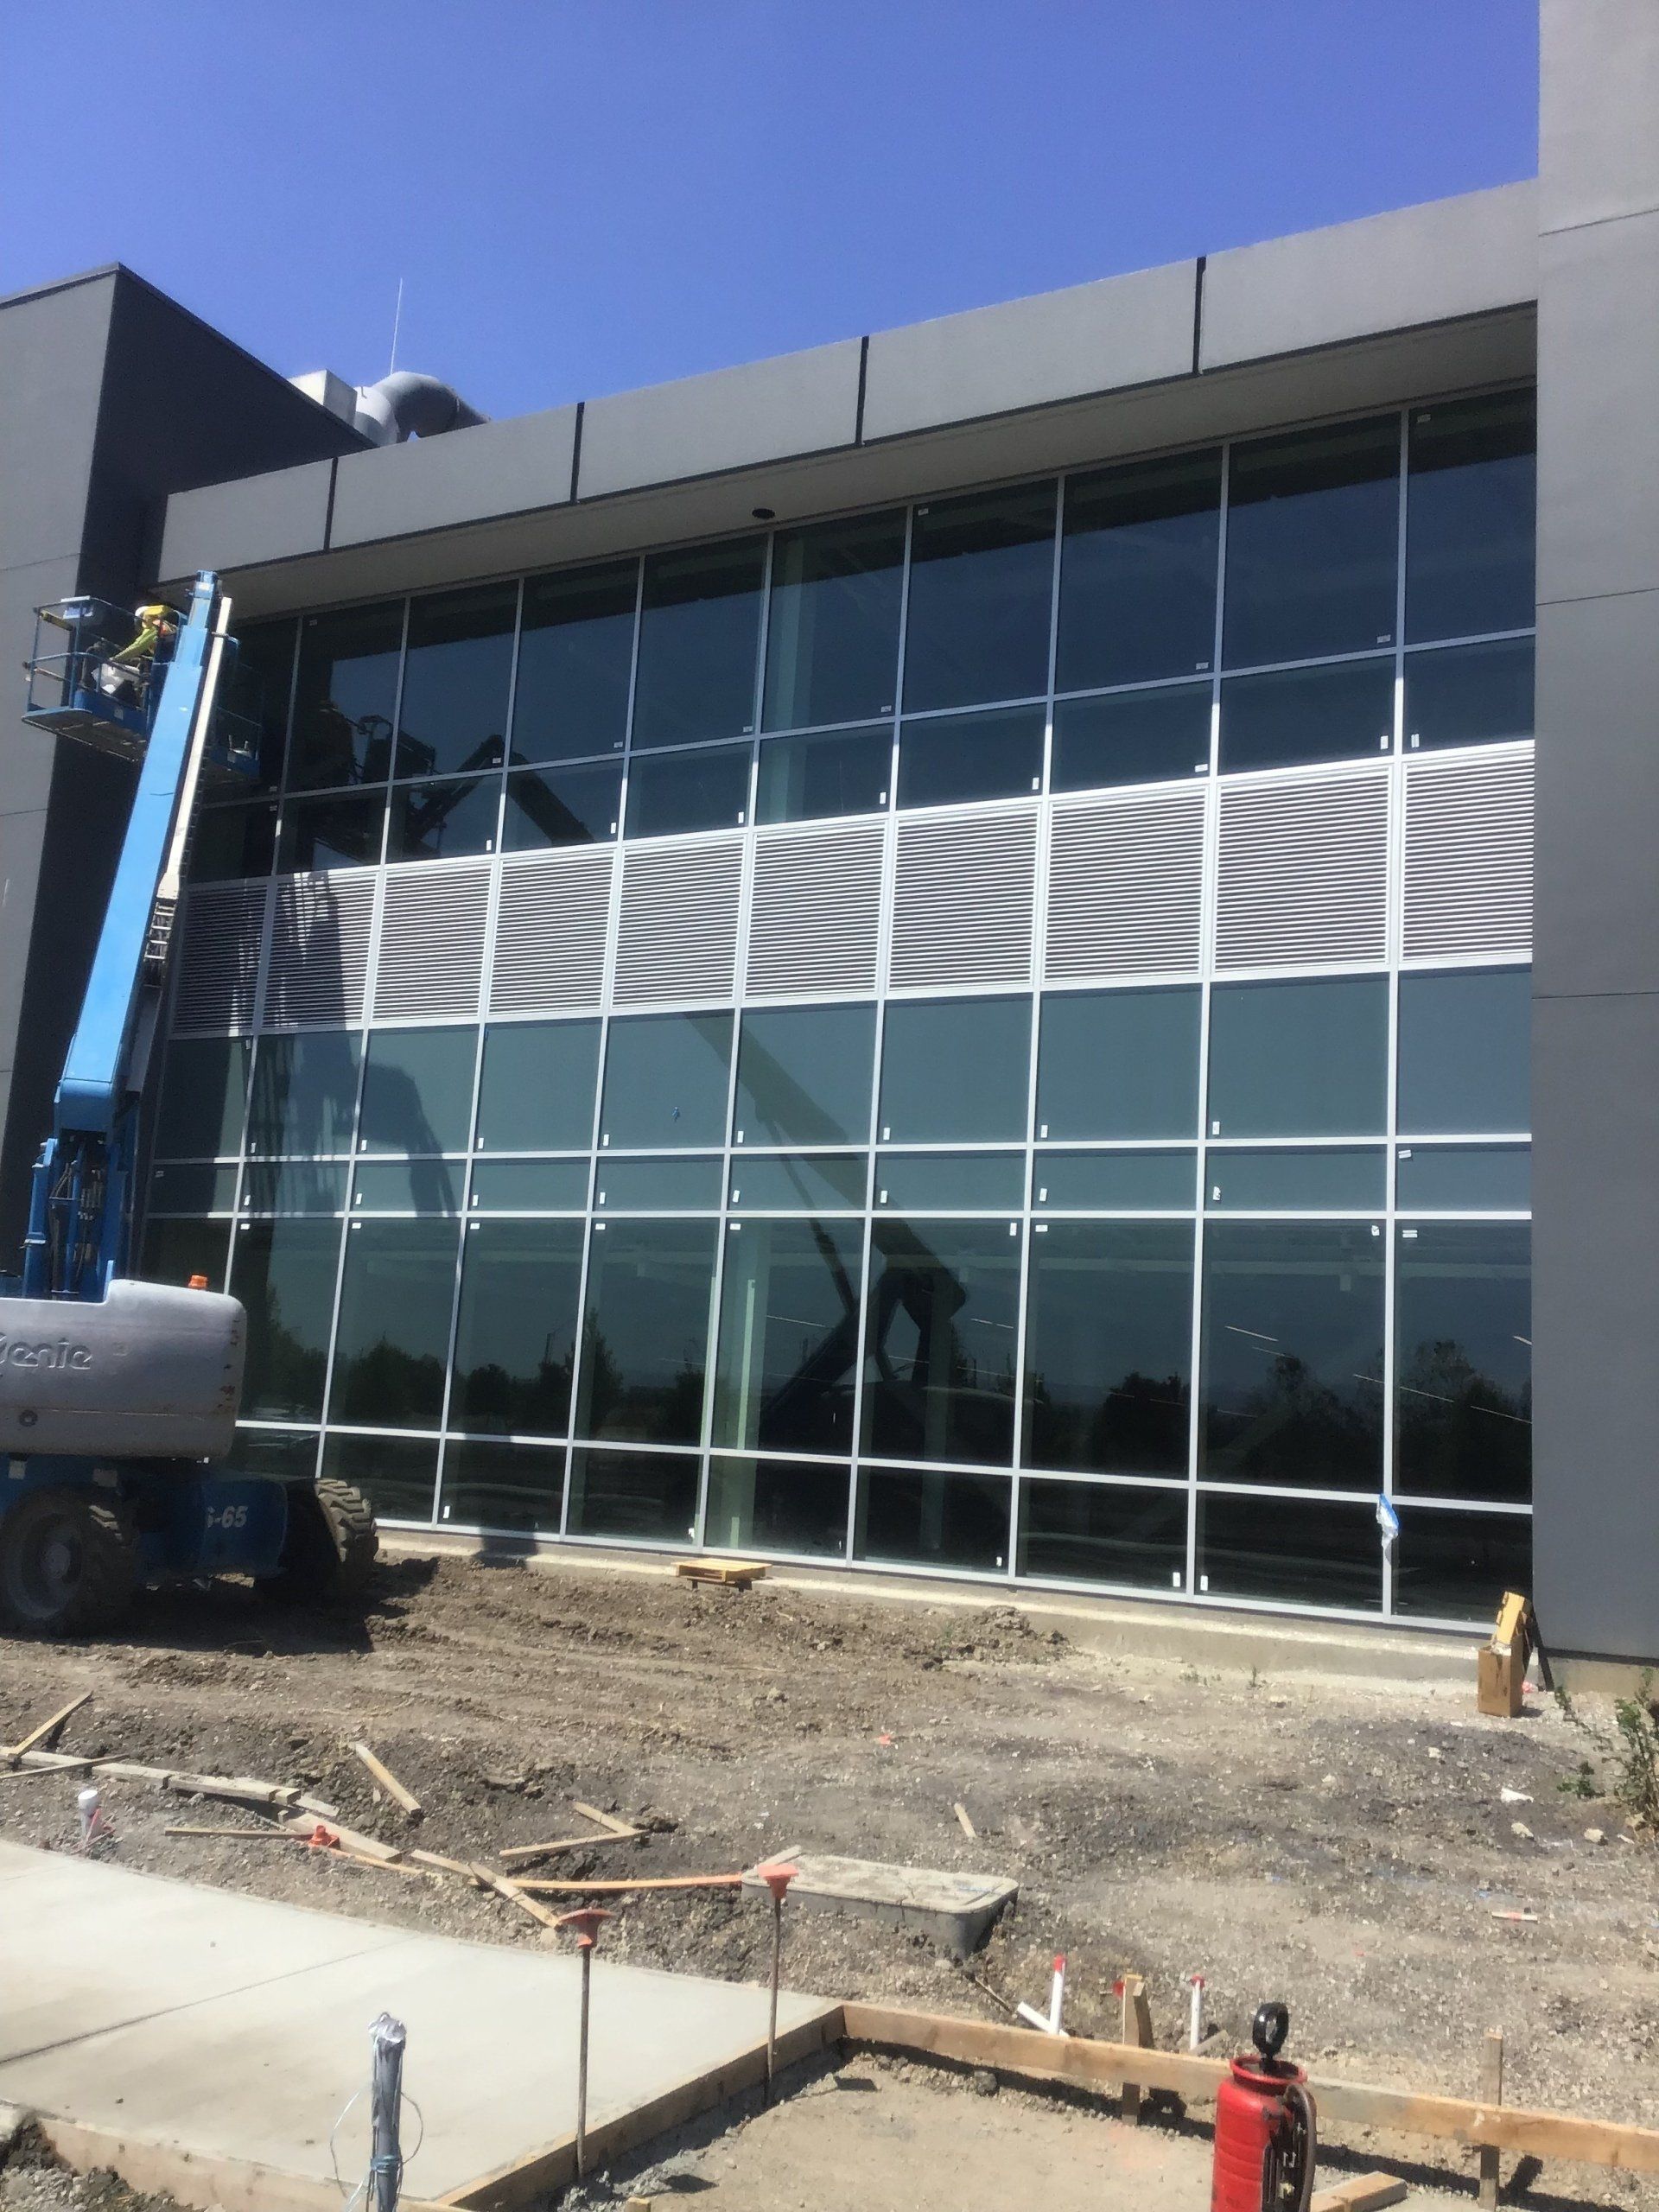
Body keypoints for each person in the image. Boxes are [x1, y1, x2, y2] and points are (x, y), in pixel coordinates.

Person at [98, 601, 179, 706]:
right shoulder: (164, 625)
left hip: (170, 659)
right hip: (171, 656)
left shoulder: (154, 627)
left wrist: (116, 659)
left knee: (145, 682)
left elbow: (137, 646)